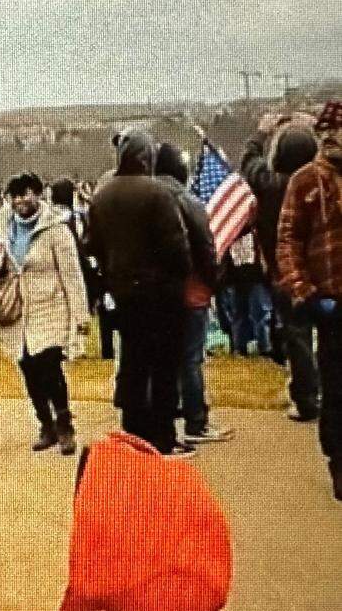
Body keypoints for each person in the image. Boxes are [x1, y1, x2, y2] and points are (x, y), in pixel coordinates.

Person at [89, 130, 194, 457]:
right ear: (147, 157)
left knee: (133, 363)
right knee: (164, 367)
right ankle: (163, 435)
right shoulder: (157, 193)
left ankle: (133, 431)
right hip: (161, 294)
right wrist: (179, 275)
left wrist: (112, 280)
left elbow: (93, 247)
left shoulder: (101, 196)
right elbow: (177, 248)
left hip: (124, 293)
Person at [0, 172, 90, 455]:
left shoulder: (56, 229)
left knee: (49, 367)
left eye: (27, 193)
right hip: (18, 312)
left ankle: (64, 423)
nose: (21, 200)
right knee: (28, 369)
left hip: (50, 308)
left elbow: (73, 277)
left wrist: (80, 320)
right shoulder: (2, 228)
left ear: (39, 195)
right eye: (16, 195)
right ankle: (45, 424)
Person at [276, 101, 342, 501]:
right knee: (335, 386)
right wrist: (305, 291)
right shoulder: (305, 181)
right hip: (330, 300)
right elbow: (287, 239)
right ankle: (338, 458)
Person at [241, 114, 321, 421]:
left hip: (284, 274)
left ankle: (306, 399)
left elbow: (249, 162)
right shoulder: (322, 184)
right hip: (323, 272)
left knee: (297, 338)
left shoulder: (271, 186)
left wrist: (261, 132)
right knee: (328, 338)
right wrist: (315, 126)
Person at [153, 141, 230, 445]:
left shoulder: (145, 199)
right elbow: (206, 249)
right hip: (191, 290)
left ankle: (167, 419)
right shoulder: (189, 202)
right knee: (190, 360)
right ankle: (196, 422)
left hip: (156, 295)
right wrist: (213, 282)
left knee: (163, 360)